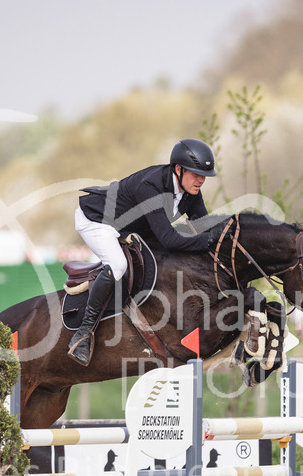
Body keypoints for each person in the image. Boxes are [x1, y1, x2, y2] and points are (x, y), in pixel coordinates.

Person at [68, 138, 218, 365]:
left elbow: (204, 227)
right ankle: (83, 334)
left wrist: (230, 233)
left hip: (133, 225)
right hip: (97, 220)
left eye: (204, 175)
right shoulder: (152, 187)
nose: (201, 180)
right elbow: (169, 239)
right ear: (178, 169)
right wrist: (209, 241)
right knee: (118, 265)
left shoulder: (190, 191)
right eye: (196, 174)